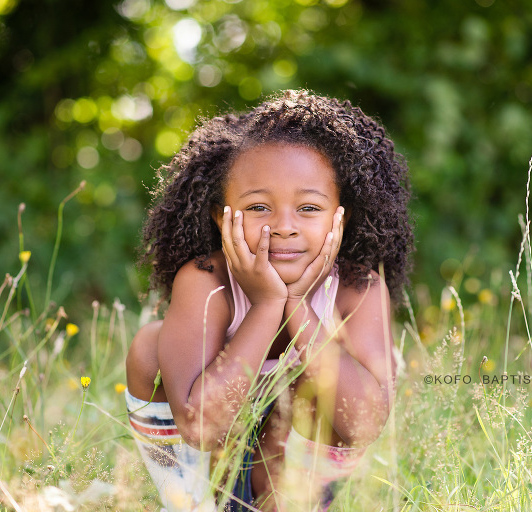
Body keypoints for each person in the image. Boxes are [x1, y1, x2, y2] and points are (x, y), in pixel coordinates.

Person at [125, 90, 413, 511]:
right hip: (210, 467)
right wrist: (265, 306)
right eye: (259, 206)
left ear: (341, 216)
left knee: (325, 375)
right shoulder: (206, 281)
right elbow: (201, 427)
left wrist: (297, 306)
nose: (283, 227)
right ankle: (187, 506)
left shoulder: (358, 287)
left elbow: (365, 421)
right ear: (222, 217)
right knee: (150, 348)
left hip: (292, 476)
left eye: (309, 208)